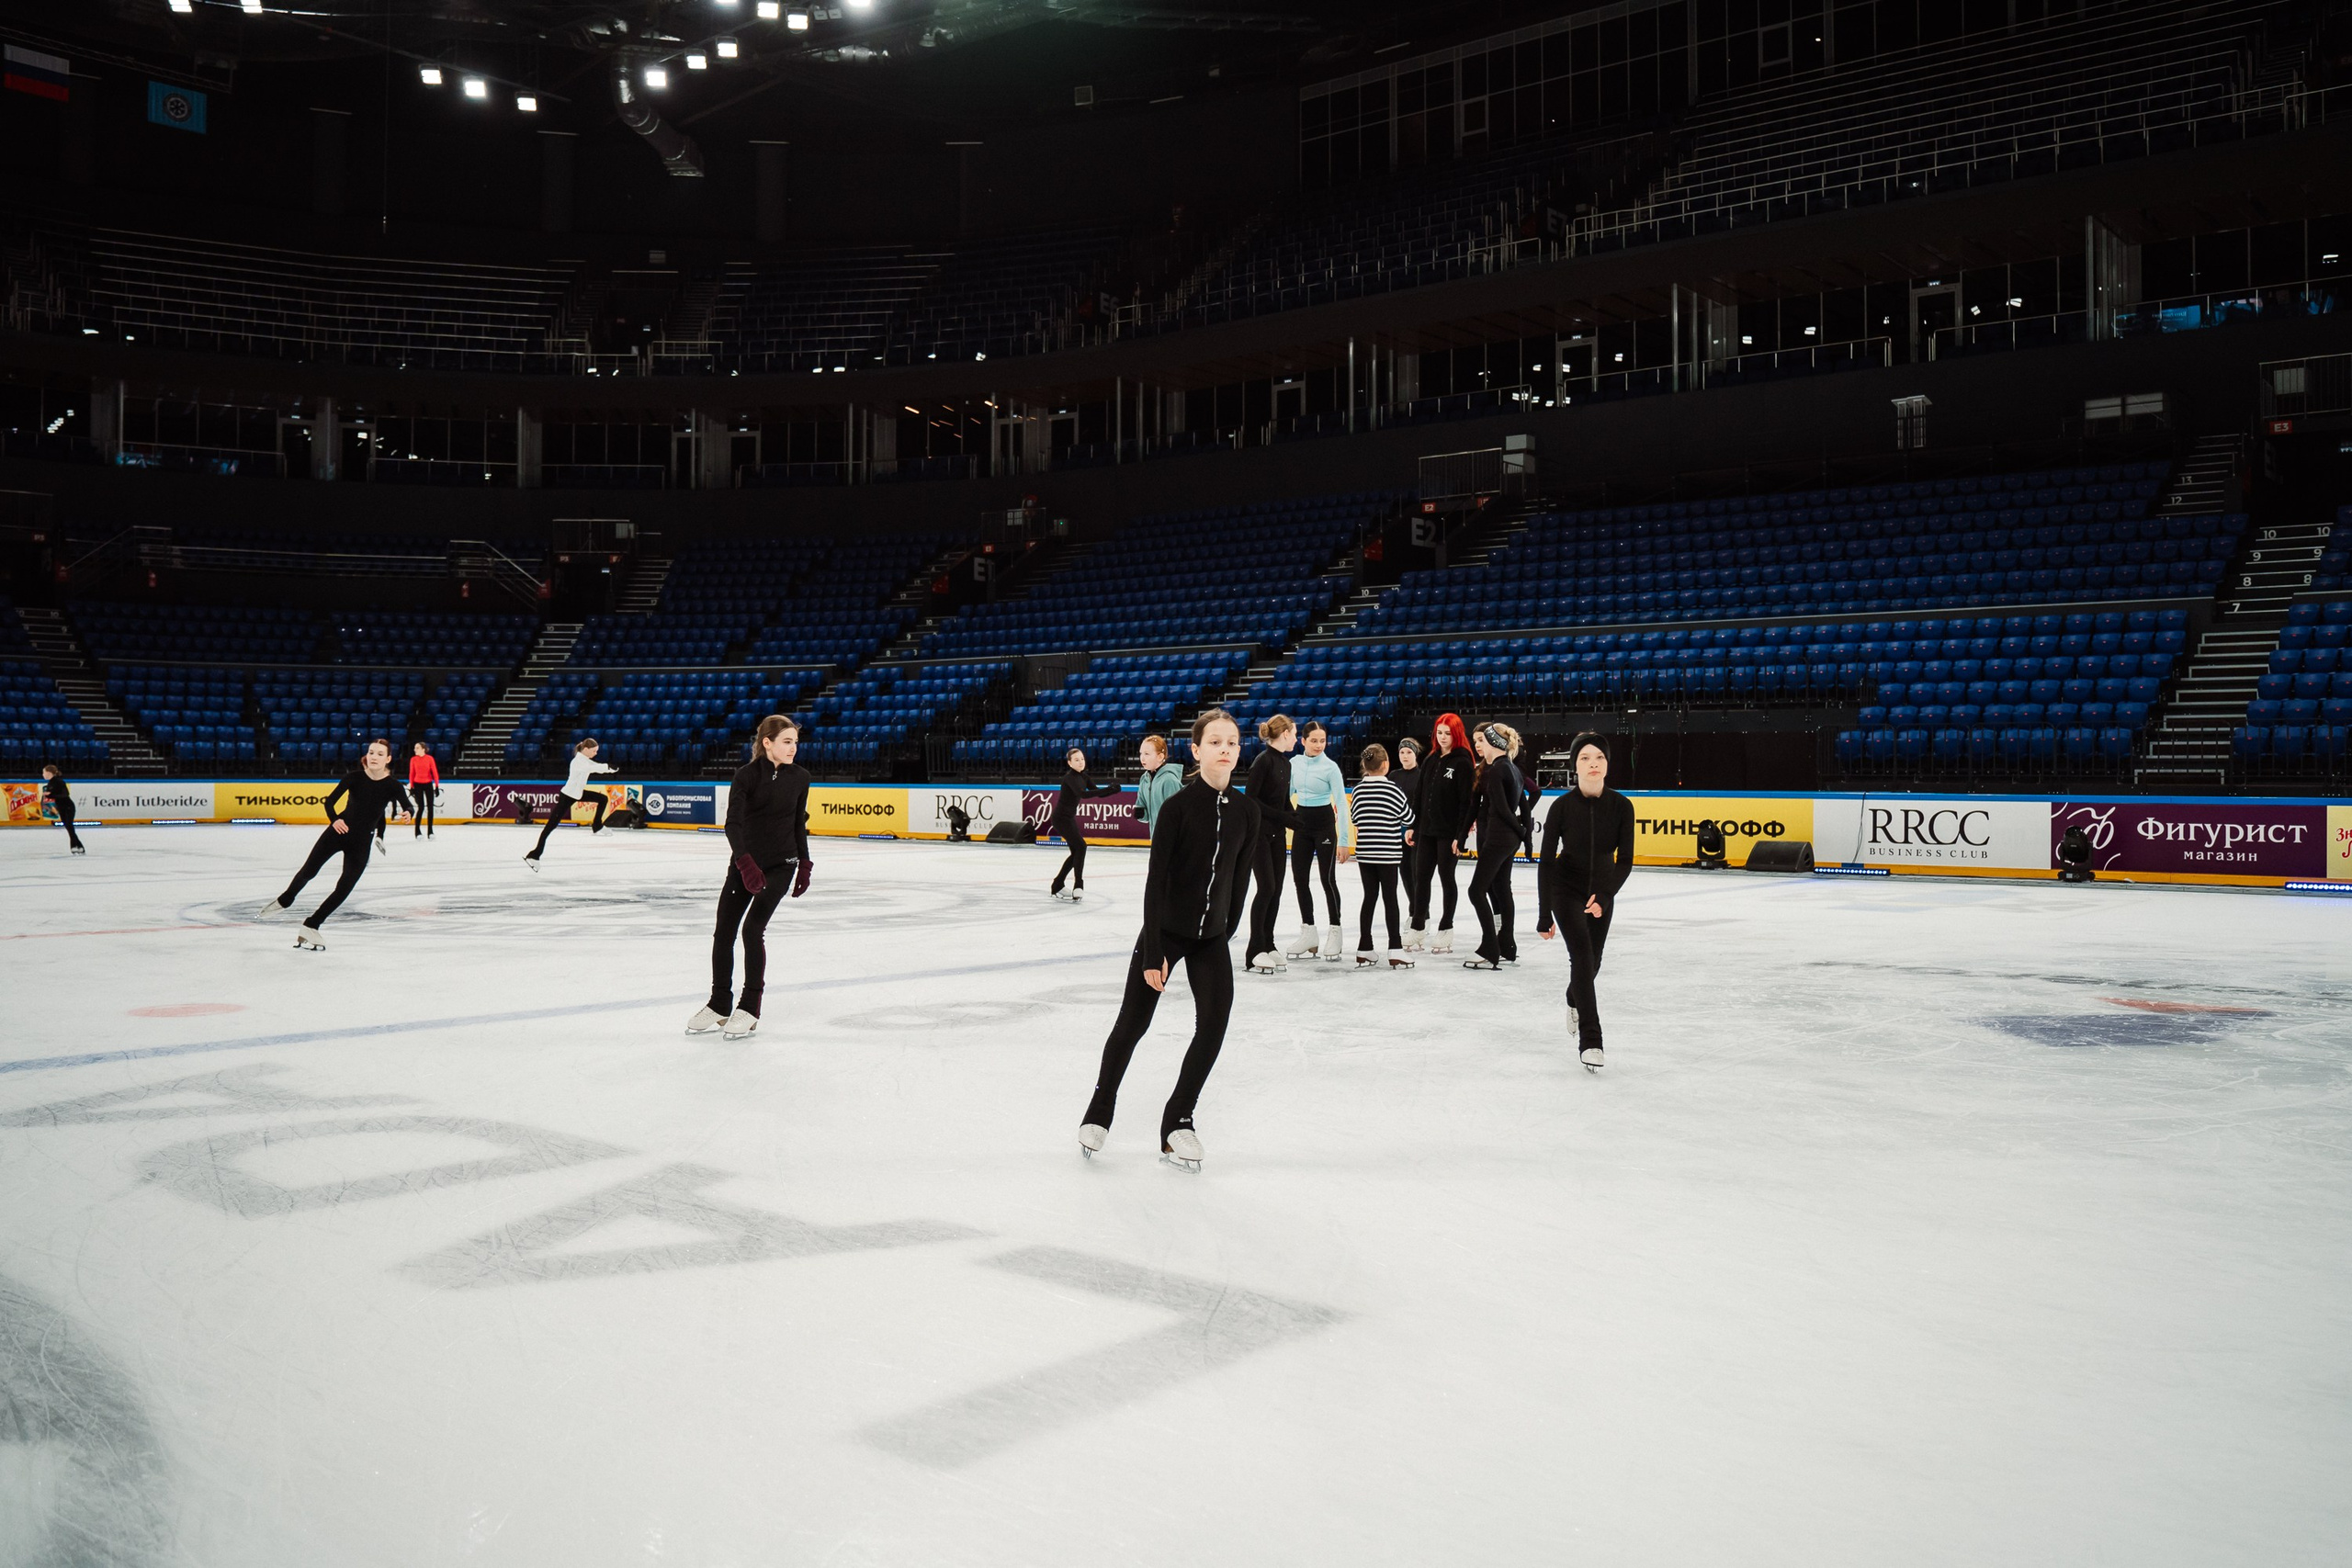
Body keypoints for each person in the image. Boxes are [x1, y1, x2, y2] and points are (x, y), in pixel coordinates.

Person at [1079, 708, 1260, 1171]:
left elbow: (1240, 882)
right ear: (1196, 751)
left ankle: (1178, 1120)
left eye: (1232, 742)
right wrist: (1154, 952)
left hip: (1210, 938)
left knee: (1213, 1026)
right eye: (1215, 742)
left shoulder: (1247, 811)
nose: (1225, 749)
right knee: (1132, 1024)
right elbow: (1155, 881)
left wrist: (1224, 931)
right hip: (1165, 932)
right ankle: (1099, 1110)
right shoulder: (1178, 808)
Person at [688, 716, 812, 1041]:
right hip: (746, 865)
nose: (793, 748)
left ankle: (749, 1007)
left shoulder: (801, 777)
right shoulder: (746, 775)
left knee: (752, 930)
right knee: (723, 932)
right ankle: (719, 1003)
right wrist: (744, 863)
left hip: (782, 865)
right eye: (787, 741)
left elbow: (798, 823)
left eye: (795, 742)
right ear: (767, 742)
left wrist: (805, 864)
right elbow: (733, 824)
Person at [1537, 732, 1636, 1069]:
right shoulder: (1561, 807)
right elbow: (1546, 862)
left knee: (1593, 962)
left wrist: (1606, 895)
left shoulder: (1622, 806)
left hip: (1602, 890)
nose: (1593, 763)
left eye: (1599, 758)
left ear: (1607, 764)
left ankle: (1573, 996)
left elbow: (1626, 861)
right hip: (1565, 889)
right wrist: (1544, 913)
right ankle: (1591, 1040)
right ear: (1575, 766)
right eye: (1585, 758)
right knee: (1581, 956)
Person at [266, 738, 413, 950]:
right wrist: (335, 820)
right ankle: (286, 899)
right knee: (309, 871)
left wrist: (408, 812)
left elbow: (408, 806)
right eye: (371, 752)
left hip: (361, 842)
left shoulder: (393, 786)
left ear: (388, 759)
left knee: (344, 888)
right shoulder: (353, 777)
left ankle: (312, 924)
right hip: (337, 833)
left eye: (380, 754)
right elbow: (330, 801)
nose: (374, 757)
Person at [1457, 723, 1532, 971]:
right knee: (1501, 887)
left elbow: (1501, 808)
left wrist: (1521, 831)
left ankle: (1490, 947)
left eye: (1482, 741)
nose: (1479, 745)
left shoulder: (1498, 770)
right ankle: (1507, 946)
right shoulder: (1512, 768)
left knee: (1476, 891)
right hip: (1507, 839)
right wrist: (1523, 836)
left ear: (1492, 743)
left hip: (1499, 837)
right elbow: (1522, 806)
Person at [1241, 714, 1303, 974]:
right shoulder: (1263, 761)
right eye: (1295, 734)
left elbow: (1283, 800)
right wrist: (1283, 817)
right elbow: (1252, 800)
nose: (1297, 739)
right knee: (1266, 887)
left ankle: (1268, 943)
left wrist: (1296, 818)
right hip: (1258, 835)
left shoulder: (1286, 763)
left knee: (1276, 890)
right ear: (1285, 733)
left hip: (1277, 835)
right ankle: (1254, 950)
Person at [1408, 713, 1475, 953]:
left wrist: (1461, 835)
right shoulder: (1430, 759)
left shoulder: (1463, 762)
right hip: (1426, 831)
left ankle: (1446, 927)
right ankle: (1417, 926)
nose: (1443, 737)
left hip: (1449, 834)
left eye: (1448, 733)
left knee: (1447, 878)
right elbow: (1419, 794)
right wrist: (1413, 824)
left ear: (1456, 734)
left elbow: (1466, 802)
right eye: (1439, 732)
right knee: (1421, 878)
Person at [1346, 743, 1415, 968]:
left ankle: (1364, 947)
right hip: (1388, 853)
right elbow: (1408, 818)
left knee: (1369, 897)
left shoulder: (1358, 790)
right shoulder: (1393, 790)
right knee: (1390, 898)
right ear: (1385, 765)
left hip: (1366, 853)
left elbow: (1355, 818)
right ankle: (1395, 947)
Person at [1284, 720, 1348, 961]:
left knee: (1327, 879)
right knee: (1299, 879)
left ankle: (1335, 930)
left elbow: (1341, 803)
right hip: (1301, 826)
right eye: (1314, 740)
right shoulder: (1294, 763)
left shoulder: (1331, 768)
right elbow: (1286, 794)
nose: (1319, 745)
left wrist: (1343, 840)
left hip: (1324, 827)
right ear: (1303, 741)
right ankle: (1309, 931)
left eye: (1322, 741)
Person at [526, 737, 616, 868]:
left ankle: (597, 826)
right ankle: (534, 855)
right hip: (567, 796)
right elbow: (593, 768)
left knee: (603, 799)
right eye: (594, 751)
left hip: (578, 793)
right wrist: (608, 767)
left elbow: (594, 766)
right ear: (586, 749)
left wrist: (610, 769)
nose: (596, 753)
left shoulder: (585, 760)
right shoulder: (578, 762)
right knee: (550, 826)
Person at [1047, 746, 1120, 900]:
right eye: (1076, 760)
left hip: (1069, 818)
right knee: (1081, 846)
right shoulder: (1069, 778)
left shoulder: (1084, 777)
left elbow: (1097, 793)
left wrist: (1112, 790)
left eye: (1082, 759)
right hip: (1060, 819)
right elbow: (1083, 794)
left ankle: (1057, 884)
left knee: (1076, 852)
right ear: (1069, 763)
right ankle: (1078, 885)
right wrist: (1107, 789)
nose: (1081, 762)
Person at [1135, 733, 1182, 838]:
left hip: (1172, 837)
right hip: (1156, 836)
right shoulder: (1145, 779)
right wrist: (1141, 813)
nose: (1142, 758)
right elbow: (1144, 811)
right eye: (1141, 753)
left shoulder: (1169, 780)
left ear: (1160, 757)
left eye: (1147, 754)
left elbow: (1177, 813)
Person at [39, 762, 85, 854]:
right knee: (68, 826)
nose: (43, 774)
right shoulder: (50, 783)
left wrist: (51, 795)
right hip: (61, 807)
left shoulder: (59, 782)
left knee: (69, 825)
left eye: (44, 772)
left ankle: (73, 846)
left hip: (68, 806)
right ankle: (80, 846)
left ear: (49, 773)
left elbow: (65, 794)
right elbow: (50, 796)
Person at [406, 740, 440, 840]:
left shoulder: (429, 759)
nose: (415, 750)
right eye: (415, 748)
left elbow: (434, 772)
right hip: (417, 785)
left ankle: (430, 831)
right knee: (420, 807)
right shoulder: (413, 759)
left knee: (430, 808)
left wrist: (437, 786)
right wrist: (412, 786)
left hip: (428, 784)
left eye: (417, 748)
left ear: (423, 749)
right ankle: (417, 832)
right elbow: (411, 773)